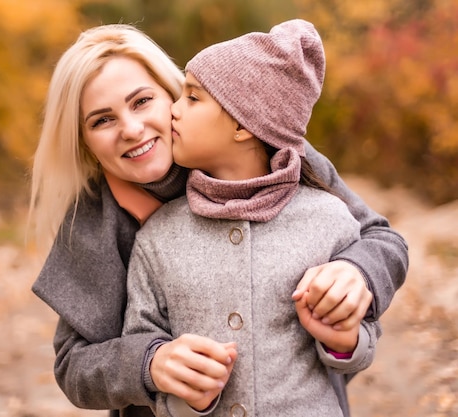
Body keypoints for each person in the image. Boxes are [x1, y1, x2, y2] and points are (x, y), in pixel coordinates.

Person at [28, 24, 408, 417]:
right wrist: (150, 364)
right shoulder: (94, 217)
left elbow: (379, 237)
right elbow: (74, 365)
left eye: (142, 101)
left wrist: (356, 271)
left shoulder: (272, 148)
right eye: (101, 120)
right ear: (84, 141)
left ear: (170, 94)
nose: (131, 129)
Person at [121, 19, 380, 417]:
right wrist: (181, 394)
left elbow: (363, 339)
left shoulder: (329, 220)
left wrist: (344, 340)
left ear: (244, 124)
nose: (171, 109)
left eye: (192, 98)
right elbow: (143, 342)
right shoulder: (157, 236)